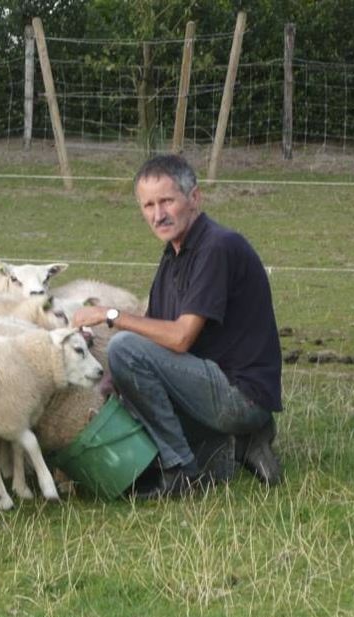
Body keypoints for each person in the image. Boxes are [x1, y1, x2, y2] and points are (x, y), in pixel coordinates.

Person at [72, 153, 283, 498]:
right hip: (206, 386)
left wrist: (110, 316)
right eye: (148, 205)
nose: (158, 214)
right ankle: (233, 449)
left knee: (123, 346)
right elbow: (154, 337)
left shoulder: (217, 247)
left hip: (239, 394)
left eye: (167, 200)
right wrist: (113, 383)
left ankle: (182, 472)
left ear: (194, 198)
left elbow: (181, 338)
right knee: (126, 383)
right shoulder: (173, 256)